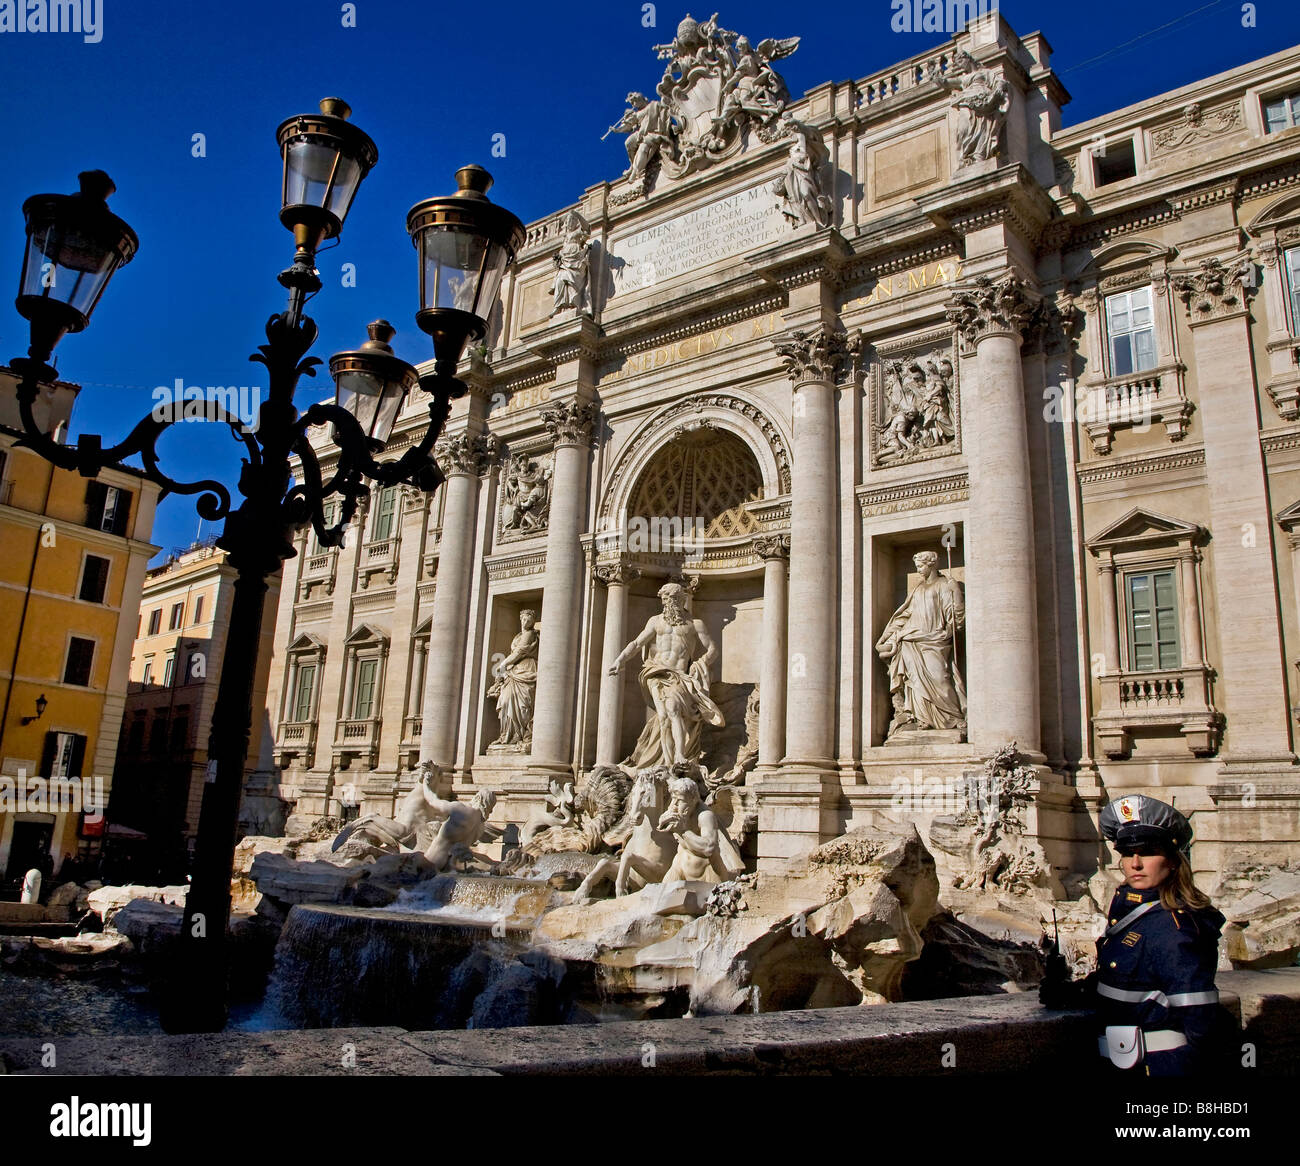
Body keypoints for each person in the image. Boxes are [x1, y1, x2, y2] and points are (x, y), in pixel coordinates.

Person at [1040, 794, 1225, 1076]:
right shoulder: (1130, 911)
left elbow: (1201, 1023)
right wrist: (1071, 993)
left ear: (1173, 861)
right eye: (1127, 853)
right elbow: (1130, 986)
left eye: (1148, 852)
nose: (1135, 863)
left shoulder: (1174, 927)